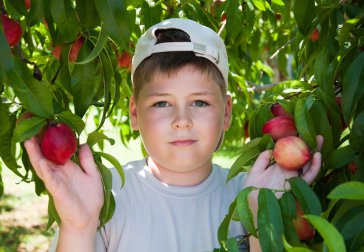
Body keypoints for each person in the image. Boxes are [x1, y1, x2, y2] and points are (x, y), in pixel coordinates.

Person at [24, 18, 323, 252]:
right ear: (134, 112)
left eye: (200, 102)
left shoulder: (250, 195)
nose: (182, 120)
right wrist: (79, 227)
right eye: (162, 103)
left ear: (227, 112)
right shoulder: (105, 200)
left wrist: (263, 218)